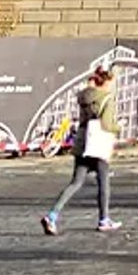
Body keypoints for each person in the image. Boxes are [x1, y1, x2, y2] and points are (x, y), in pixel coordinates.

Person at [41, 66, 120, 236]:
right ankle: (104, 220)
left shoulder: (84, 97)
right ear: (106, 82)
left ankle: (52, 215)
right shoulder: (106, 98)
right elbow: (107, 124)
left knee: (75, 183)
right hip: (98, 145)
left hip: (82, 143)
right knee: (103, 183)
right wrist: (118, 127)